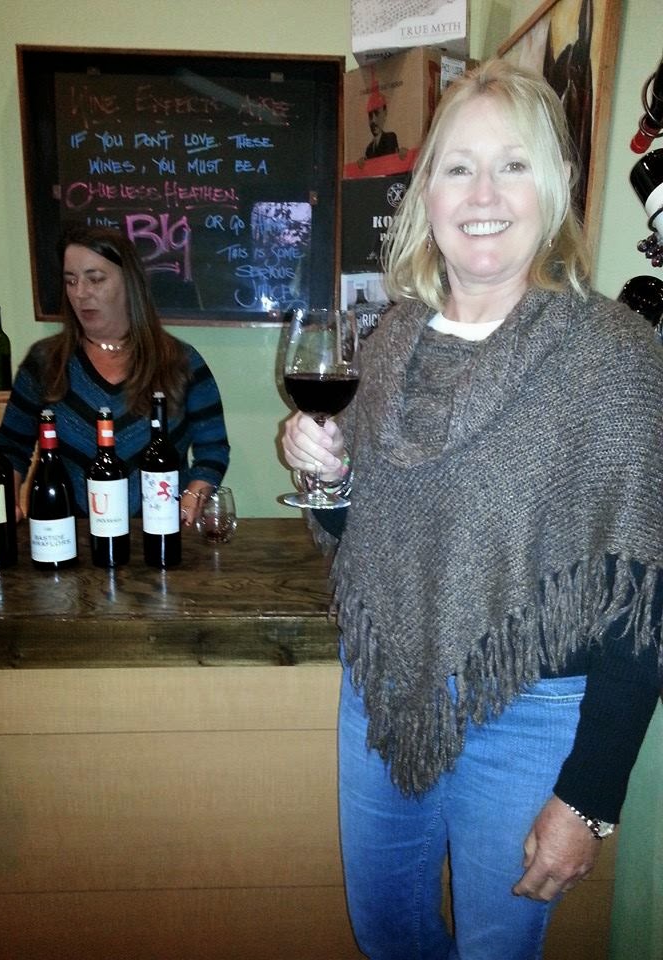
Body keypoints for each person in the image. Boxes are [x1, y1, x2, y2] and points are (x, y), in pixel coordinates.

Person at [281, 60, 663, 960]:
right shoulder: (388, 342)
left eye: (512, 165)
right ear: (429, 192)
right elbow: (357, 536)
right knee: (385, 932)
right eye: (459, 167)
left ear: (554, 185)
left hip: (530, 713)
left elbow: (645, 598)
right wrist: (326, 475)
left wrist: (589, 799)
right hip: (381, 694)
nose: (483, 194)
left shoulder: (615, 355)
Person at [0, 224, 230, 530]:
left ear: (129, 282)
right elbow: (12, 447)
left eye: (95, 279)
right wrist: (0, 504)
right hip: (66, 535)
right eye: (70, 281)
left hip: (160, 533)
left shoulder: (180, 361)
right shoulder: (46, 362)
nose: (80, 293)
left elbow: (213, 450)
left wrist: (191, 499)